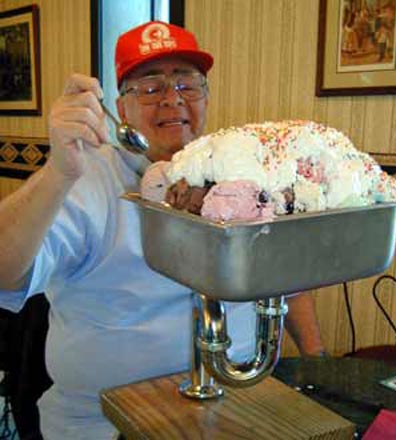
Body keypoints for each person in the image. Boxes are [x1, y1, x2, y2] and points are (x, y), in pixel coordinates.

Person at [0, 21, 324, 439]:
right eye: (150, 88)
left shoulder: (241, 174)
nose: (172, 99)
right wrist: (58, 173)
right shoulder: (86, 181)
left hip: (242, 402)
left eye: (187, 84)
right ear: (122, 106)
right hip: (107, 420)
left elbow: (288, 277)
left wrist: (317, 362)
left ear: (205, 98)